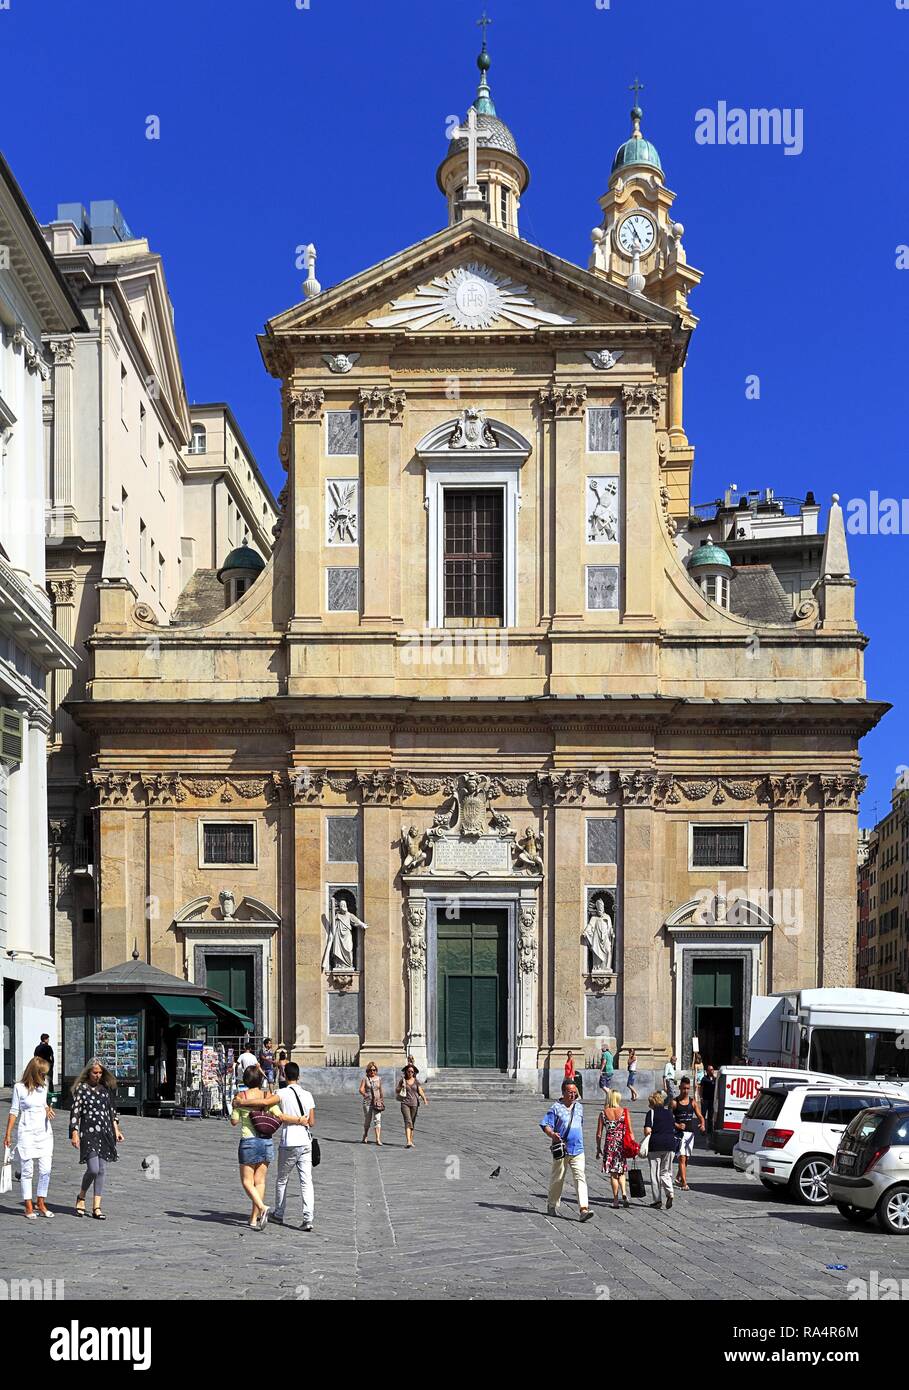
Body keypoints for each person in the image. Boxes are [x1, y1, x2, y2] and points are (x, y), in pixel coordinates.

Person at [69, 1058, 124, 1219]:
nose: (98, 1075)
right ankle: (81, 1196)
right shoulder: (81, 1089)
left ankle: (97, 1206)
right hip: (88, 1133)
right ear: (88, 1073)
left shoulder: (105, 1089)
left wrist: (116, 1130)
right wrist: (74, 1132)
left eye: (100, 1072)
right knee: (93, 1169)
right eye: (95, 1072)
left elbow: (111, 1112)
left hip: (105, 1133)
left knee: (101, 1169)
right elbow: (76, 1112)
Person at [230, 1064, 282, 1229]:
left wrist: (236, 1106)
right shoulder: (266, 1095)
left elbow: (234, 1121)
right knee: (260, 1182)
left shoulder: (241, 1096)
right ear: (260, 1080)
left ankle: (262, 1208)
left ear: (245, 1080)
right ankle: (253, 1220)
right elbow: (278, 1115)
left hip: (249, 1141)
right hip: (266, 1140)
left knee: (247, 1182)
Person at [4, 1057, 55, 1219]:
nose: (45, 1076)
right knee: (27, 1171)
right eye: (42, 1073)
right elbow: (14, 1111)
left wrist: (47, 1109)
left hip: (44, 1132)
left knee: (46, 1169)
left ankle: (41, 1201)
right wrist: (8, 1134)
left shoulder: (44, 1085)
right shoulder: (19, 1088)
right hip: (26, 1132)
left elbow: (43, 1103)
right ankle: (28, 1205)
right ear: (35, 1073)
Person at [541, 1079, 594, 1223]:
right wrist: (552, 1134)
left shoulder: (579, 1107)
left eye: (575, 1092)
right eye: (570, 1092)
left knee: (580, 1178)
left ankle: (583, 1209)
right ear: (563, 1092)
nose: (573, 1095)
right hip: (562, 1150)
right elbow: (545, 1124)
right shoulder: (555, 1108)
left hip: (578, 1149)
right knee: (558, 1179)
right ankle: (552, 1205)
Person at [273, 1062, 315, 1230]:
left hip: (289, 1140)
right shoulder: (308, 1095)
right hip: (305, 1141)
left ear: (284, 1075)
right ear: (298, 1076)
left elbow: (275, 1115)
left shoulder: (280, 1093)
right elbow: (311, 1122)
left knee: (282, 1179)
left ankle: (278, 1213)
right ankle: (308, 1218)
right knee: (306, 1181)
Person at [596, 1088, 635, 1210]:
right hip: (621, 1144)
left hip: (610, 1145)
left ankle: (616, 1200)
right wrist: (633, 1146)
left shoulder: (603, 1113)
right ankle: (624, 1192)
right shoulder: (624, 1112)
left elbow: (598, 1134)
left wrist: (598, 1148)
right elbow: (630, 1131)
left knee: (613, 1174)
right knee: (621, 1171)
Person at [643, 1091, 676, 1211]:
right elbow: (672, 1126)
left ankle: (657, 1200)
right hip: (670, 1145)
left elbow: (647, 1131)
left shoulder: (650, 1113)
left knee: (655, 1174)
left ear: (652, 1103)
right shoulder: (669, 1113)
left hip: (655, 1145)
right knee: (665, 1172)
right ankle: (670, 1193)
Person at [671, 1076, 705, 1190]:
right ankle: (684, 1183)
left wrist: (702, 1124)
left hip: (690, 1134)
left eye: (687, 1089)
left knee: (686, 1159)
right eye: (683, 1088)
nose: (685, 1091)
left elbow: (700, 1116)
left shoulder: (692, 1102)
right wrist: (677, 1125)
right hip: (679, 1134)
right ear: (680, 1088)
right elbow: (668, 1118)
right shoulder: (674, 1102)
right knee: (682, 1158)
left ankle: (678, 1178)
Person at [397, 1064, 427, 1147]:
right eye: (409, 1071)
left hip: (414, 1104)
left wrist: (424, 1099)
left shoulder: (416, 1081)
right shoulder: (402, 1080)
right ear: (406, 1071)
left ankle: (411, 1140)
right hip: (405, 1103)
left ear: (414, 1073)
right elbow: (397, 1090)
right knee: (408, 1121)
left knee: (412, 1123)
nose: (410, 1073)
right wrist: (401, 1087)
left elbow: (420, 1091)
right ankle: (408, 1141)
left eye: (412, 1072)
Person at [359, 1062, 385, 1145]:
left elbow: (380, 1090)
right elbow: (361, 1089)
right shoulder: (365, 1079)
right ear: (368, 1071)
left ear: (376, 1070)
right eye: (370, 1070)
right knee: (368, 1120)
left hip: (377, 1102)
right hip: (368, 1102)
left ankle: (378, 1139)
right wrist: (364, 1094)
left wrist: (381, 1100)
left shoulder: (379, 1079)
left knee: (377, 1120)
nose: (372, 1072)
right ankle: (365, 1134)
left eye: (374, 1070)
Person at [699, 1063, 717, 1133]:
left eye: (713, 1069)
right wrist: (701, 1097)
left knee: (710, 1115)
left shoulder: (715, 1079)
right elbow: (701, 1088)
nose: (712, 1071)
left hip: (712, 1100)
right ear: (707, 1071)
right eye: (711, 1070)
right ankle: (702, 1128)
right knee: (703, 1114)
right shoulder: (704, 1079)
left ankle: (710, 1130)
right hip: (705, 1099)